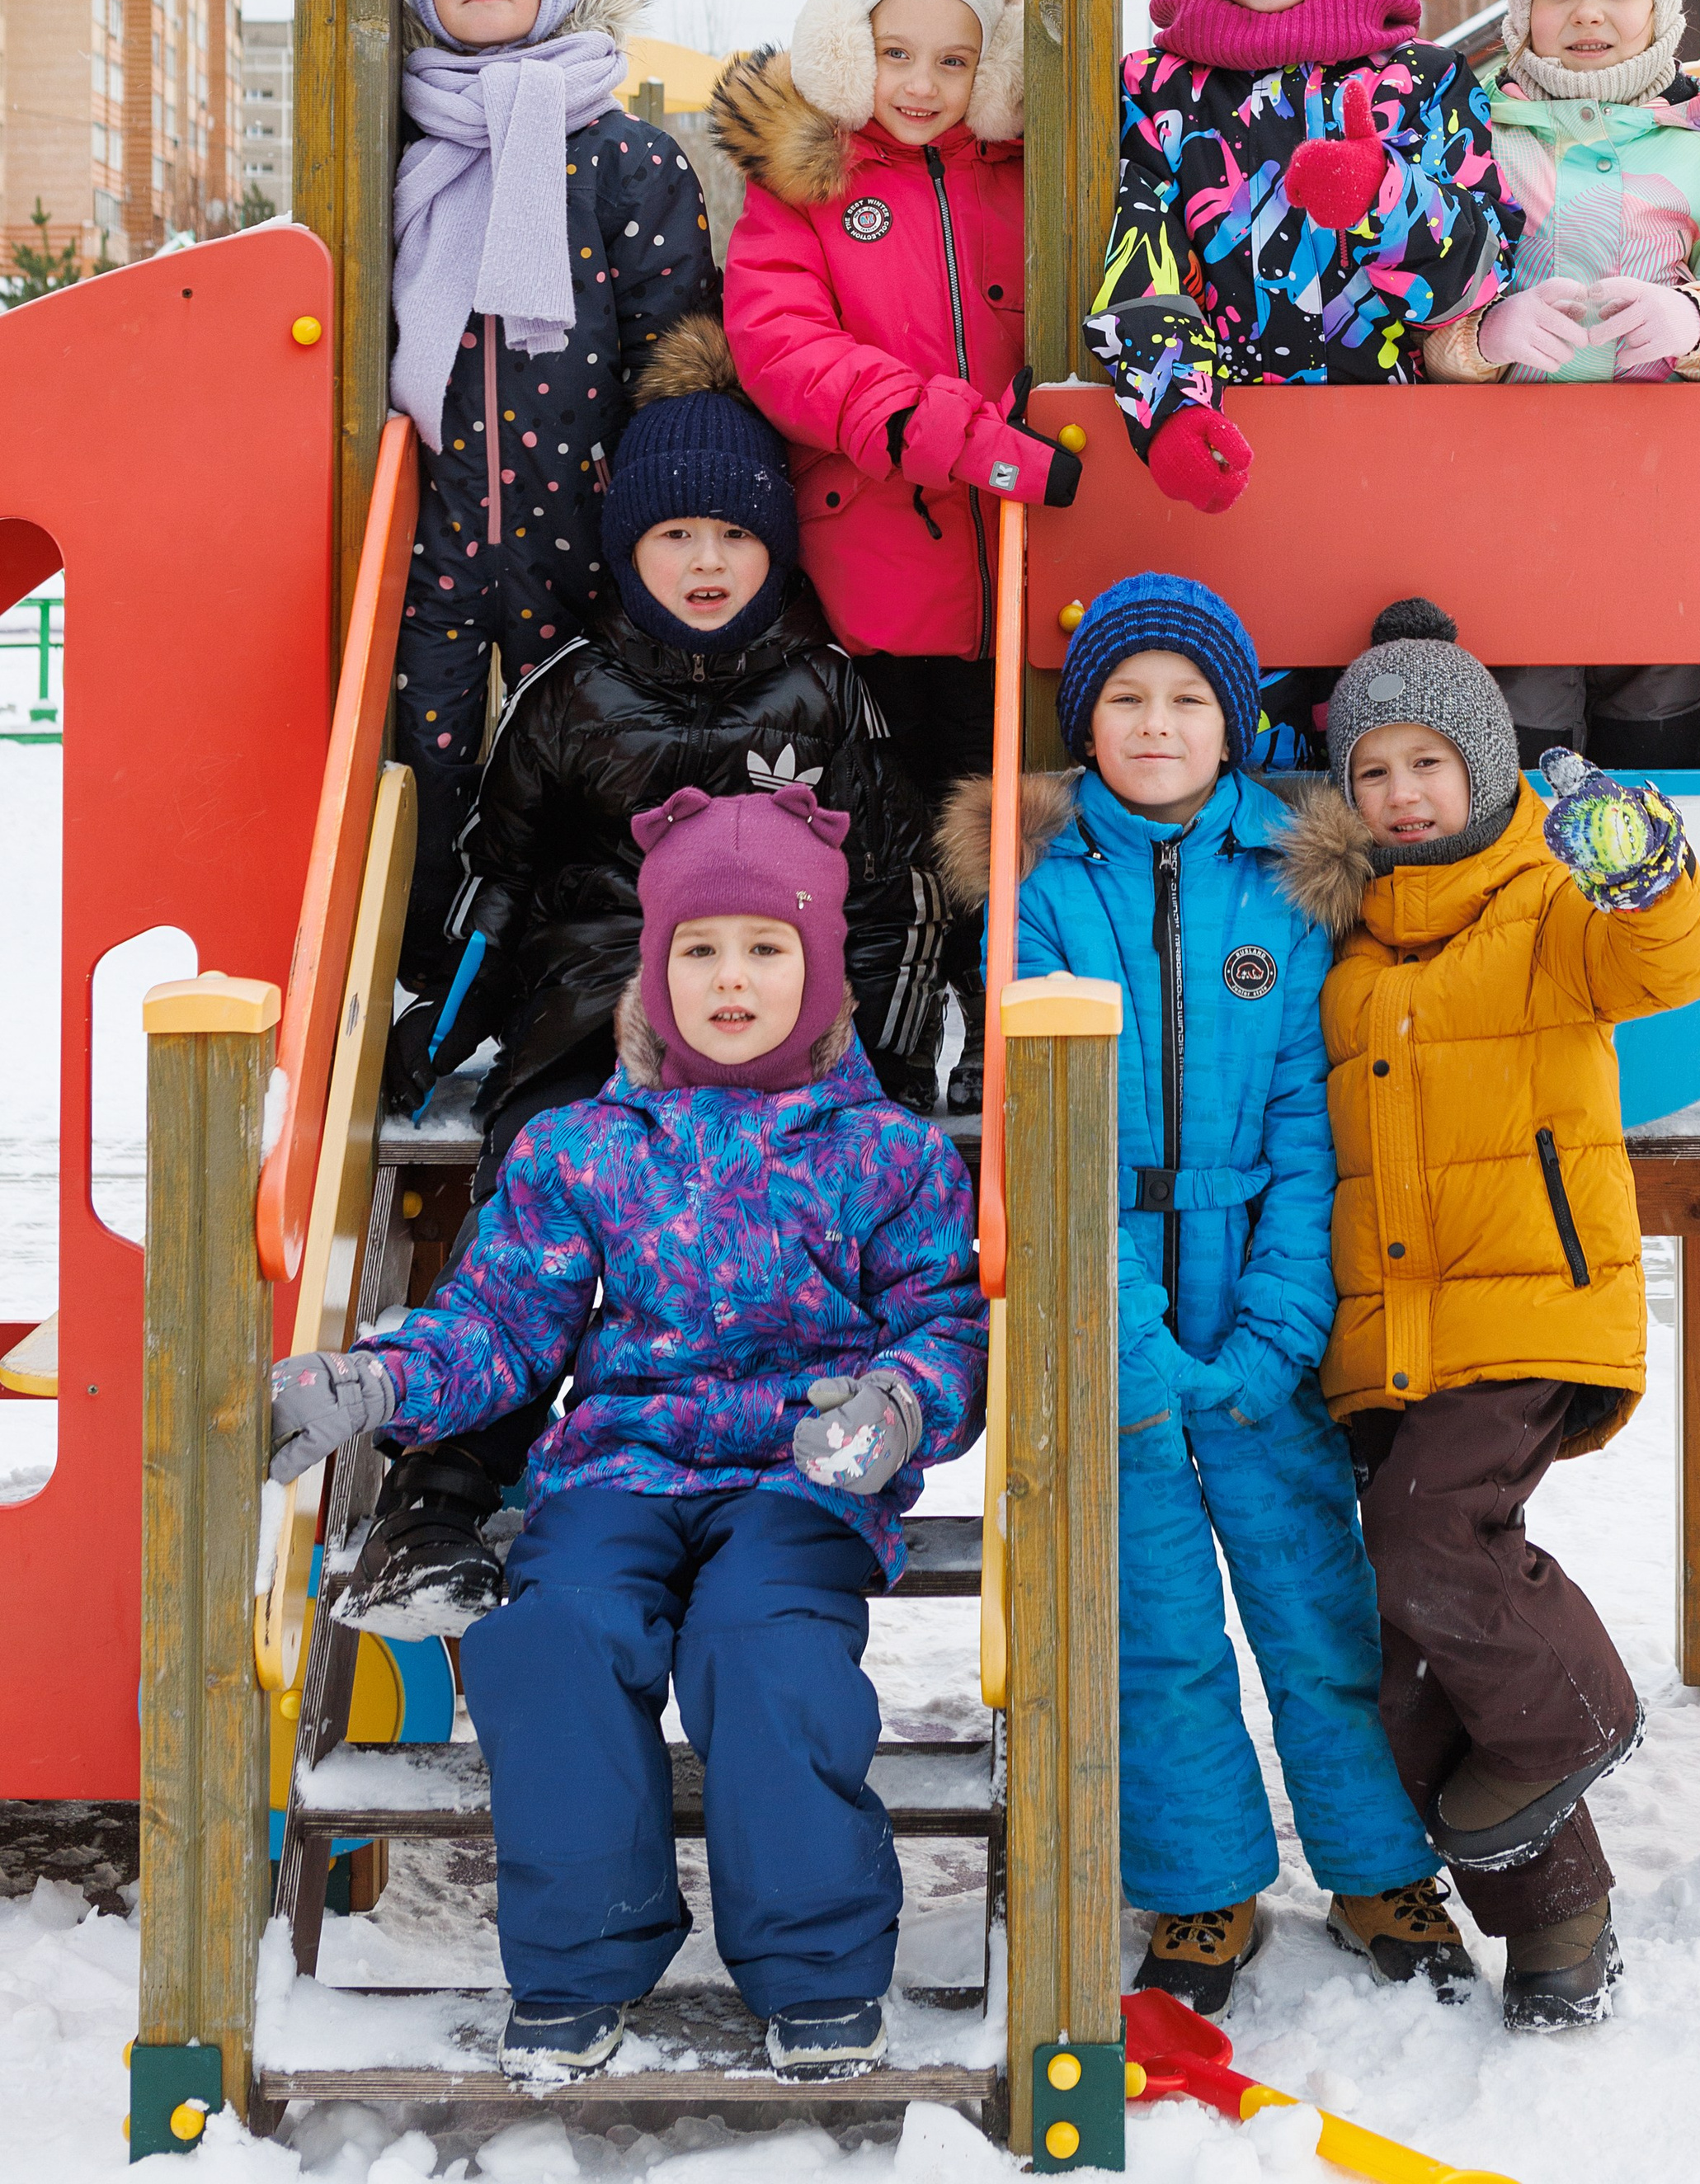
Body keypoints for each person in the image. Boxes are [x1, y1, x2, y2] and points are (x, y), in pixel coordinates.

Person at [269, 784, 987, 2086]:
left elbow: (945, 1326)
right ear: (654, 972)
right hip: (621, 1469)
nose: (730, 979)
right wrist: (376, 1386)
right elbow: (501, 1320)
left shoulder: (891, 1158)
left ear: (820, 969)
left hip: (802, 1476)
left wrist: (892, 1408)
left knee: (761, 1655)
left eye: (766, 950)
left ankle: (815, 1964)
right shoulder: (586, 1147)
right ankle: (586, 1953)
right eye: (698, 951)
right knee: (550, 1635)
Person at [351, 317, 945, 1636]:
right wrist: (438, 1026)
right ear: (628, 547)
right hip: (591, 1003)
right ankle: (445, 1496)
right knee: (541, 1200)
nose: (707, 563)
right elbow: (495, 881)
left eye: (734, 537)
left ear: (773, 550)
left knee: (795, 1218)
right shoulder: (567, 695)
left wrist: (891, 1077)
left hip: (785, 1017)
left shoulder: (826, 693)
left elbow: (897, 892)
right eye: (676, 537)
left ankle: (784, 1464)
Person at [939, 574, 1465, 2017]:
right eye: (1126, 697)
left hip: (1259, 1300)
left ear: (1231, 722)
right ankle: (1197, 1885)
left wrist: (1283, 1321)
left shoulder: (1292, 878)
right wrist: (1134, 1340)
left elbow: (1311, 1113)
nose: (1157, 724)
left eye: (1186, 698)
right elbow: (1057, 1128)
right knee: (1156, 1622)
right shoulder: (1042, 890)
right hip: (1112, 1313)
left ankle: (1376, 1861)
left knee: (1315, 1605)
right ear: (1084, 720)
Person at [1277, 599, 1700, 2031]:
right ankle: (1561, 1930)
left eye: (1430, 761)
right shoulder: (1339, 945)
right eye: (1375, 770)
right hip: (1392, 1328)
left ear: (1484, 767)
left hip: (1531, 1302)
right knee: (1405, 1653)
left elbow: (1670, 964)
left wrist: (1649, 876)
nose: (1404, 791)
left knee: (1432, 1535)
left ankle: (1579, 1703)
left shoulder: (1548, 900)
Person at [715, 0, 1077, 1107]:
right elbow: (782, 345)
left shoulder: (1035, 174)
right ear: (847, 46)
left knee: (1022, 819)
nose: (920, 84)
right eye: (895, 51)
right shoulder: (810, 183)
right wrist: (944, 432)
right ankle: (880, 1052)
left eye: (954, 59)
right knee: (898, 820)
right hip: (883, 571)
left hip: (1035, 572)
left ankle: (1006, 1028)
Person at [390, 0, 718, 986]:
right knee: (424, 758)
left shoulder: (623, 156)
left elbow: (674, 357)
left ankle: (577, 980)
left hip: (580, 531)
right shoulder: (409, 150)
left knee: (581, 761)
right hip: (438, 532)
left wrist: (656, 519)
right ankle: (427, 986)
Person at [1085, 0, 1513, 525]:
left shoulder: (1423, 79)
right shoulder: (1159, 92)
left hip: (1394, 461)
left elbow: (1482, 278)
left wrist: (1385, 195)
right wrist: (1171, 408)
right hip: (1229, 456)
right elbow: (1137, 258)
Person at [1420, 0, 1700, 772]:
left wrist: (1697, 324)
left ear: (1661, 6)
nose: (1589, 15)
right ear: (1521, 6)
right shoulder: (1475, 140)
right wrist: (1483, 335)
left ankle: (1657, 907)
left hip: (1662, 504)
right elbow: (1417, 304)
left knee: (1656, 724)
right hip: (1508, 509)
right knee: (1524, 725)